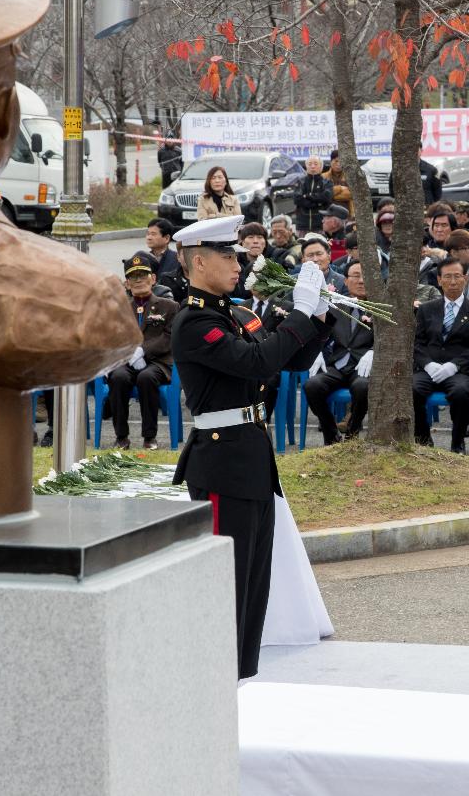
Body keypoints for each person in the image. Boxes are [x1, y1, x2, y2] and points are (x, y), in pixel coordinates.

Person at [170, 214, 333, 680]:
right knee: (229, 587)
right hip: (222, 466)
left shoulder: (233, 314)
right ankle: (216, 684)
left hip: (250, 461)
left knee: (253, 587)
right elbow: (257, 360)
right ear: (198, 262)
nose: (238, 263)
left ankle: (242, 677)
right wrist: (298, 317)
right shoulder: (195, 323)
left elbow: (286, 359)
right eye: (228, 256)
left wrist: (317, 318)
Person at [412, 258, 469, 453]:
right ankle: (422, 439)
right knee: (412, 389)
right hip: (429, 368)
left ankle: (458, 442)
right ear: (439, 280)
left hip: (460, 370)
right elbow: (416, 342)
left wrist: (454, 365)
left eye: (457, 276)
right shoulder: (426, 309)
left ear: (465, 278)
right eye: (448, 277)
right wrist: (428, 364)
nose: (453, 281)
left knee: (461, 393)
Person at [106, 255, 179, 449]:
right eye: (133, 277)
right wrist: (130, 353)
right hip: (127, 360)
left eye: (143, 275)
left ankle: (149, 437)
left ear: (153, 279)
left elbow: (169, 337)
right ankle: (121, 437)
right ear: (127, 284)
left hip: (158, 362)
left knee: (146, 378)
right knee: (118, 377)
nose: (139, 280)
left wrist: (143, 351)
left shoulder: (169, 306)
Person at [303, 262, 374, 444]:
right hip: (337, 365)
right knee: (312, 386)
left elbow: (391, 337)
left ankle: (353, 431)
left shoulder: (379, 307)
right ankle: (330, 431)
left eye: (365, 275)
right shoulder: (336, 306)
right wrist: (315, 351)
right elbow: (318, 332)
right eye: (355, 276)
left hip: (363, 367)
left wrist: (374, 351)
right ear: (346, 280)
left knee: (362, 387)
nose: (361, 280)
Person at [293, 156, 333, 233]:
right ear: (306, 166)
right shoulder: (300, 182)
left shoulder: (327, 182)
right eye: (310, 164)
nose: (312, 166)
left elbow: (326, 197)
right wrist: (318, 203)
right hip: (302, 225)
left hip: (321, 225)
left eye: (315, 163)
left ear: (321, 166)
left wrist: (307, 196)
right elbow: (297, 199)